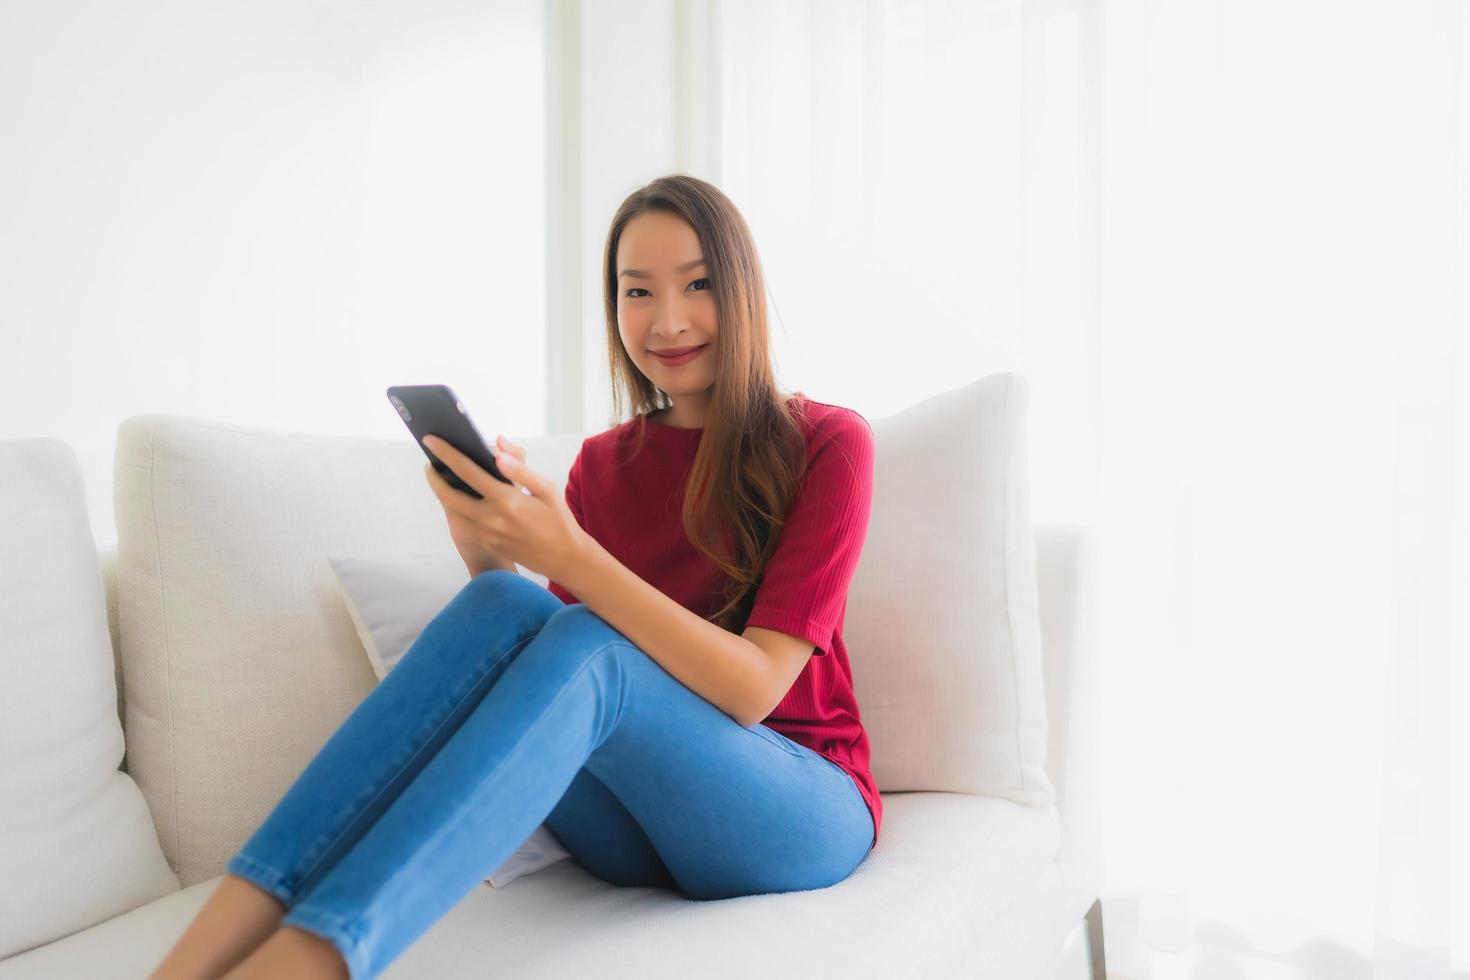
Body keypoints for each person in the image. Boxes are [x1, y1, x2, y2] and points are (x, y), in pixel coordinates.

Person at [149, 174, 879, 980]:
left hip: (794, 804)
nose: (667, 320)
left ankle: (306, 965)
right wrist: (483, 548)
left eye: (698, 284)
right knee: (506, 602)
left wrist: (571, 558)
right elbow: (554, 701)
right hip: (635, 829)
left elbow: (754, 690)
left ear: (741, 290)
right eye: (638, 291)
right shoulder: (602, 467)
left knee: (591, 648)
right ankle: (190, 964)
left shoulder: (826, 443)